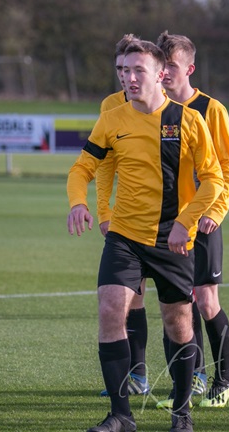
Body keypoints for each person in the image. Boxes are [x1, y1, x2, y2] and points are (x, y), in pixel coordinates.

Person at [67, 39, 224, 432]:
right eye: (124, 70)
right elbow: (83, 168)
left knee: (179, 324)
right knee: (110, 311)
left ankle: (181, 414)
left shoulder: (189, 120)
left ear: (160, 74)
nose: (130, 77)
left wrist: (185, 222)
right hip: (125, 237)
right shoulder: (112, 119)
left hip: (173, 241)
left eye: (139, 70)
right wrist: (78, 203)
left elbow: (214, 180)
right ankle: (121, 415)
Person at [152, 31, 229, 409]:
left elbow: (228, 170)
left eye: (172, 65)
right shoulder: (154, 109)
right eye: (162, 65)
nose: (165, 72)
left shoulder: (211, 109)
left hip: (202, 221)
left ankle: (225, 379)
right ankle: (190, 381)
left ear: (189, 69)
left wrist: (214, 212)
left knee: (205, 301)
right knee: (177, 304)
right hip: (166, 224)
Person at [96, 33, 151, 398]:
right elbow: (104, 164)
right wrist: (104, 210)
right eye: (119, 68)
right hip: (127, 221)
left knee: (183, 306)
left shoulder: (161, 104)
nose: (124, 75)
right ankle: (136, 376)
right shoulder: (110, 107)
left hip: (170, 223)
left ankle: (194, 374)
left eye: (129, 68)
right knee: (130, 299)